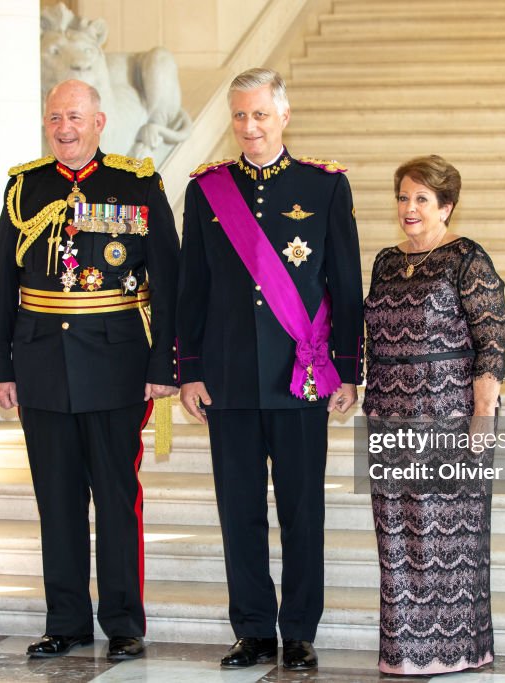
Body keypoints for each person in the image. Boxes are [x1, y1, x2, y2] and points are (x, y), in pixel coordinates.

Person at [176, 67, 363, 671]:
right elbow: (191, 290)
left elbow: (344, 284)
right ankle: (253, 628)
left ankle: (300, 629)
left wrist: (349, 368)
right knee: (240, 511)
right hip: (228, 380)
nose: (249, 127)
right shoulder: (207, 191)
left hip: (299, 377)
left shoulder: (325, 187)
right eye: (239, 115)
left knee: (303, 509)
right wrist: (190, 369)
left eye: (260, 114)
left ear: (284, 116)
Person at [0, 79, 179, 661]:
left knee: (116, 497)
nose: (63, 128)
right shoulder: (25, 186)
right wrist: (0, 366)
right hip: (41, 361)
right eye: (54, 118)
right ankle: (65, 620)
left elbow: (168, 280)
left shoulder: (137, 182)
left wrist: (163, 361)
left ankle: (122, 621)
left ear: (99, 121)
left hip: (116, 363)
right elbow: (2, 282)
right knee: (57, 499)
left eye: (74, 116)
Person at [363, 155, 505, 675]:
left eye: (422, 198)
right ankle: (405, 653)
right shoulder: (385, 261)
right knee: (397, 535)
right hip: (387, 413)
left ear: (446, 207)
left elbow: (492, 340)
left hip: (447, 413)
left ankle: (456, 650)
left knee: (448, 535)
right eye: (403, 197)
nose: (409, 207)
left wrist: (483, 415)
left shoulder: (466, 259)